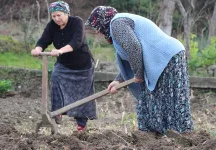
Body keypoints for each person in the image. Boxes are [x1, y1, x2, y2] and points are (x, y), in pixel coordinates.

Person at [86, 6, 193, 134]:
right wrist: (118, 81)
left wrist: (138, 74)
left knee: (163, 97)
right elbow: (130, 58)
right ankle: (158, 135)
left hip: (167, 57)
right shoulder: (118, 25)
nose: (98, 31)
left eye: (97, 26)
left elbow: (134, 48)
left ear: (103, 21)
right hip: (167, 56)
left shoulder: (117, 24)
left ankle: (171, 134)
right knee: (152, 99)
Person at [31, 1, 97, 131]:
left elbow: (77, 42)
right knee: (55, 78)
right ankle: (57, 113)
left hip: (83, 65)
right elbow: (44, 40)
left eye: (59, 15)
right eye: (54, 16)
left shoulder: (76, 22)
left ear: (66, 13)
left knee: (81, 94)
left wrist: (60, 50)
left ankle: (81, 125)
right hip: (64, 64)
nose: (56, 19)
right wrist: (38, 49)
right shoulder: (52, 26)